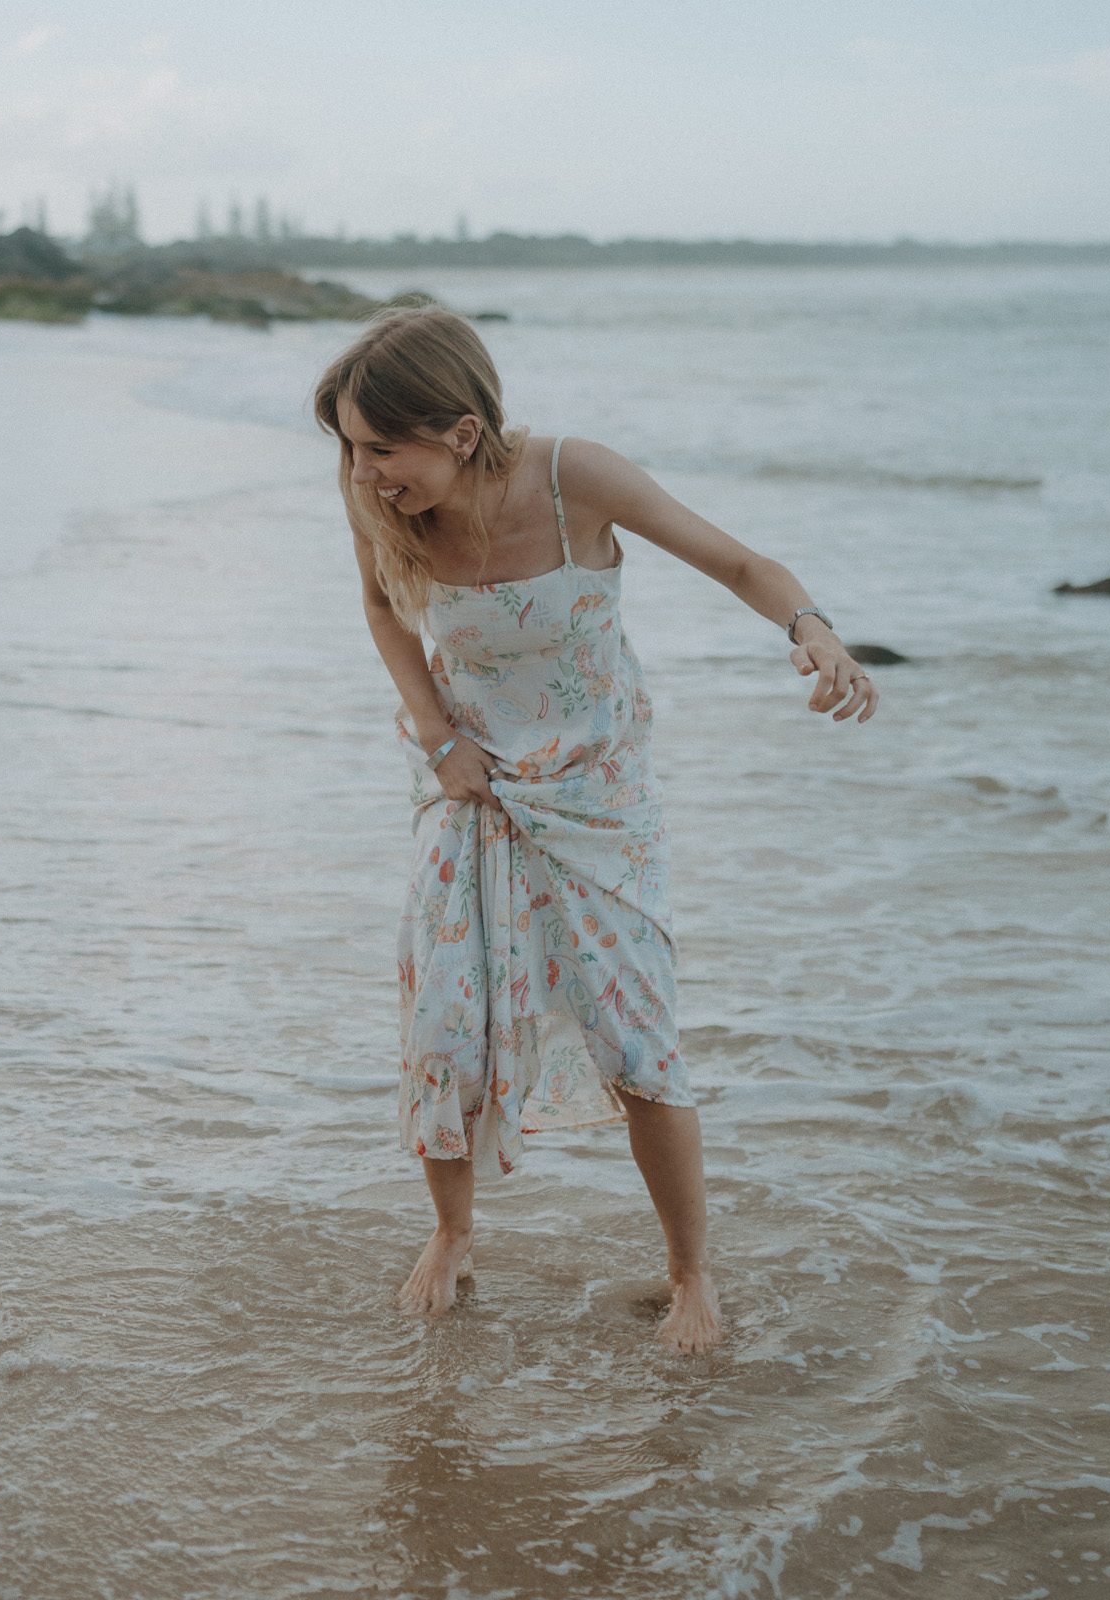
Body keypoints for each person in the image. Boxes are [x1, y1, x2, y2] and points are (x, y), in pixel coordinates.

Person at [314, 307, 877, 1352]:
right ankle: (451, 1232)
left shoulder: (579, 479)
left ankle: (691, 1272)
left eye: (382, 447)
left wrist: (815, 632)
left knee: (632, 1033)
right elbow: (384, 610)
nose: (361, 471)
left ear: (462, 433)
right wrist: (440, 741)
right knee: (445, 1016)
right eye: (350, 446)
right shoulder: (378, 498)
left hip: (597, 794)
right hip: (471, 782)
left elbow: (744, 564)